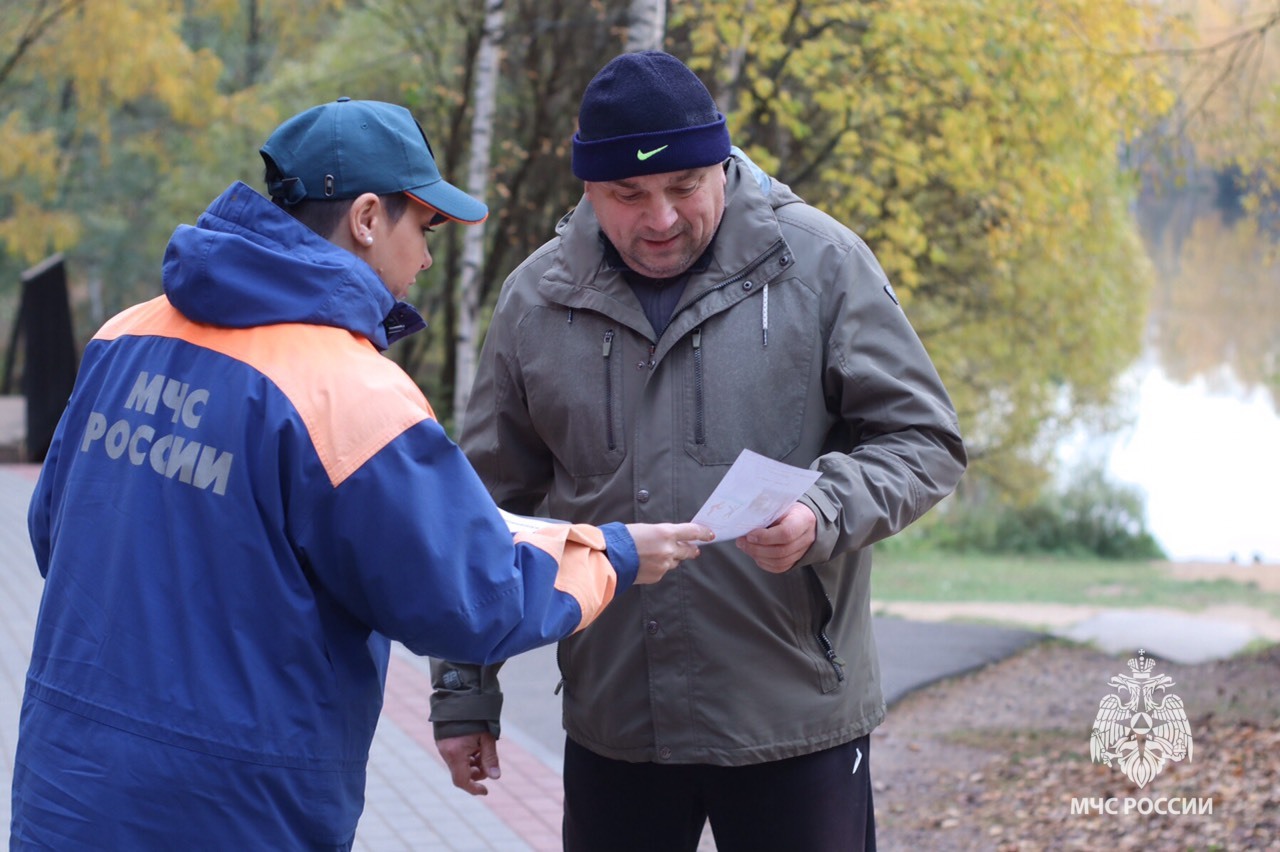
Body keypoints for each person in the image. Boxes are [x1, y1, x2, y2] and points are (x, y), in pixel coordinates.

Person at [10, 97, 713, 850]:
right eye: (426, 226)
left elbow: (55, 533)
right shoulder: (347, 390)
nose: (429, 258)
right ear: (370, 218)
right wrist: (616, 553)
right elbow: (473, 600)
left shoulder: (126, 334)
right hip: (237, 807)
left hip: (69, 787)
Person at [430, 52, 967, 851]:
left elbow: (924, 441)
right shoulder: (536, 300)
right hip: (617, 726)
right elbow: (481, 515)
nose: (661, 219)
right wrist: (465, 695)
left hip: (794, 720)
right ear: (586, 188)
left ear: (723, 164)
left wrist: (822, 509)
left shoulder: (821, 264)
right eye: (628, 195)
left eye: (685, 186)